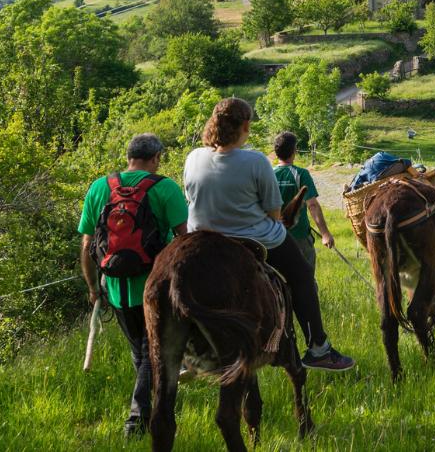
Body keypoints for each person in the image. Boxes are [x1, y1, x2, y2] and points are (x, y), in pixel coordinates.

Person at [183, 97, 353, 371]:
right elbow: (274, 214)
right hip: (253, 239)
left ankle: (186, 349)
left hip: (203, 242)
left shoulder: (194, 157)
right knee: (301, 275)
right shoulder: (256, 161)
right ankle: (318, 347)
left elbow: (191, 197)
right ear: (246, 126)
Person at [78, 133, 188, 438]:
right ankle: (137, 420)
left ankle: (146, 413)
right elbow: (184, 239)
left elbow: (87, 243)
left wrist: (92, 286)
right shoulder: (165, 187)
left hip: (114, 288)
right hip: (156, 287)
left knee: (142, 353)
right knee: (150, 354)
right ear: (155, 159)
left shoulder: (99, 187)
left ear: (129, 157)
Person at [273, 131, 334, 269]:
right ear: (294, 150)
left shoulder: (269, 174)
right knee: (306, 282)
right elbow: (312, 205)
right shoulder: (301, 174)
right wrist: (325, 234)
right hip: (299, 237)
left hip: (274, 238)